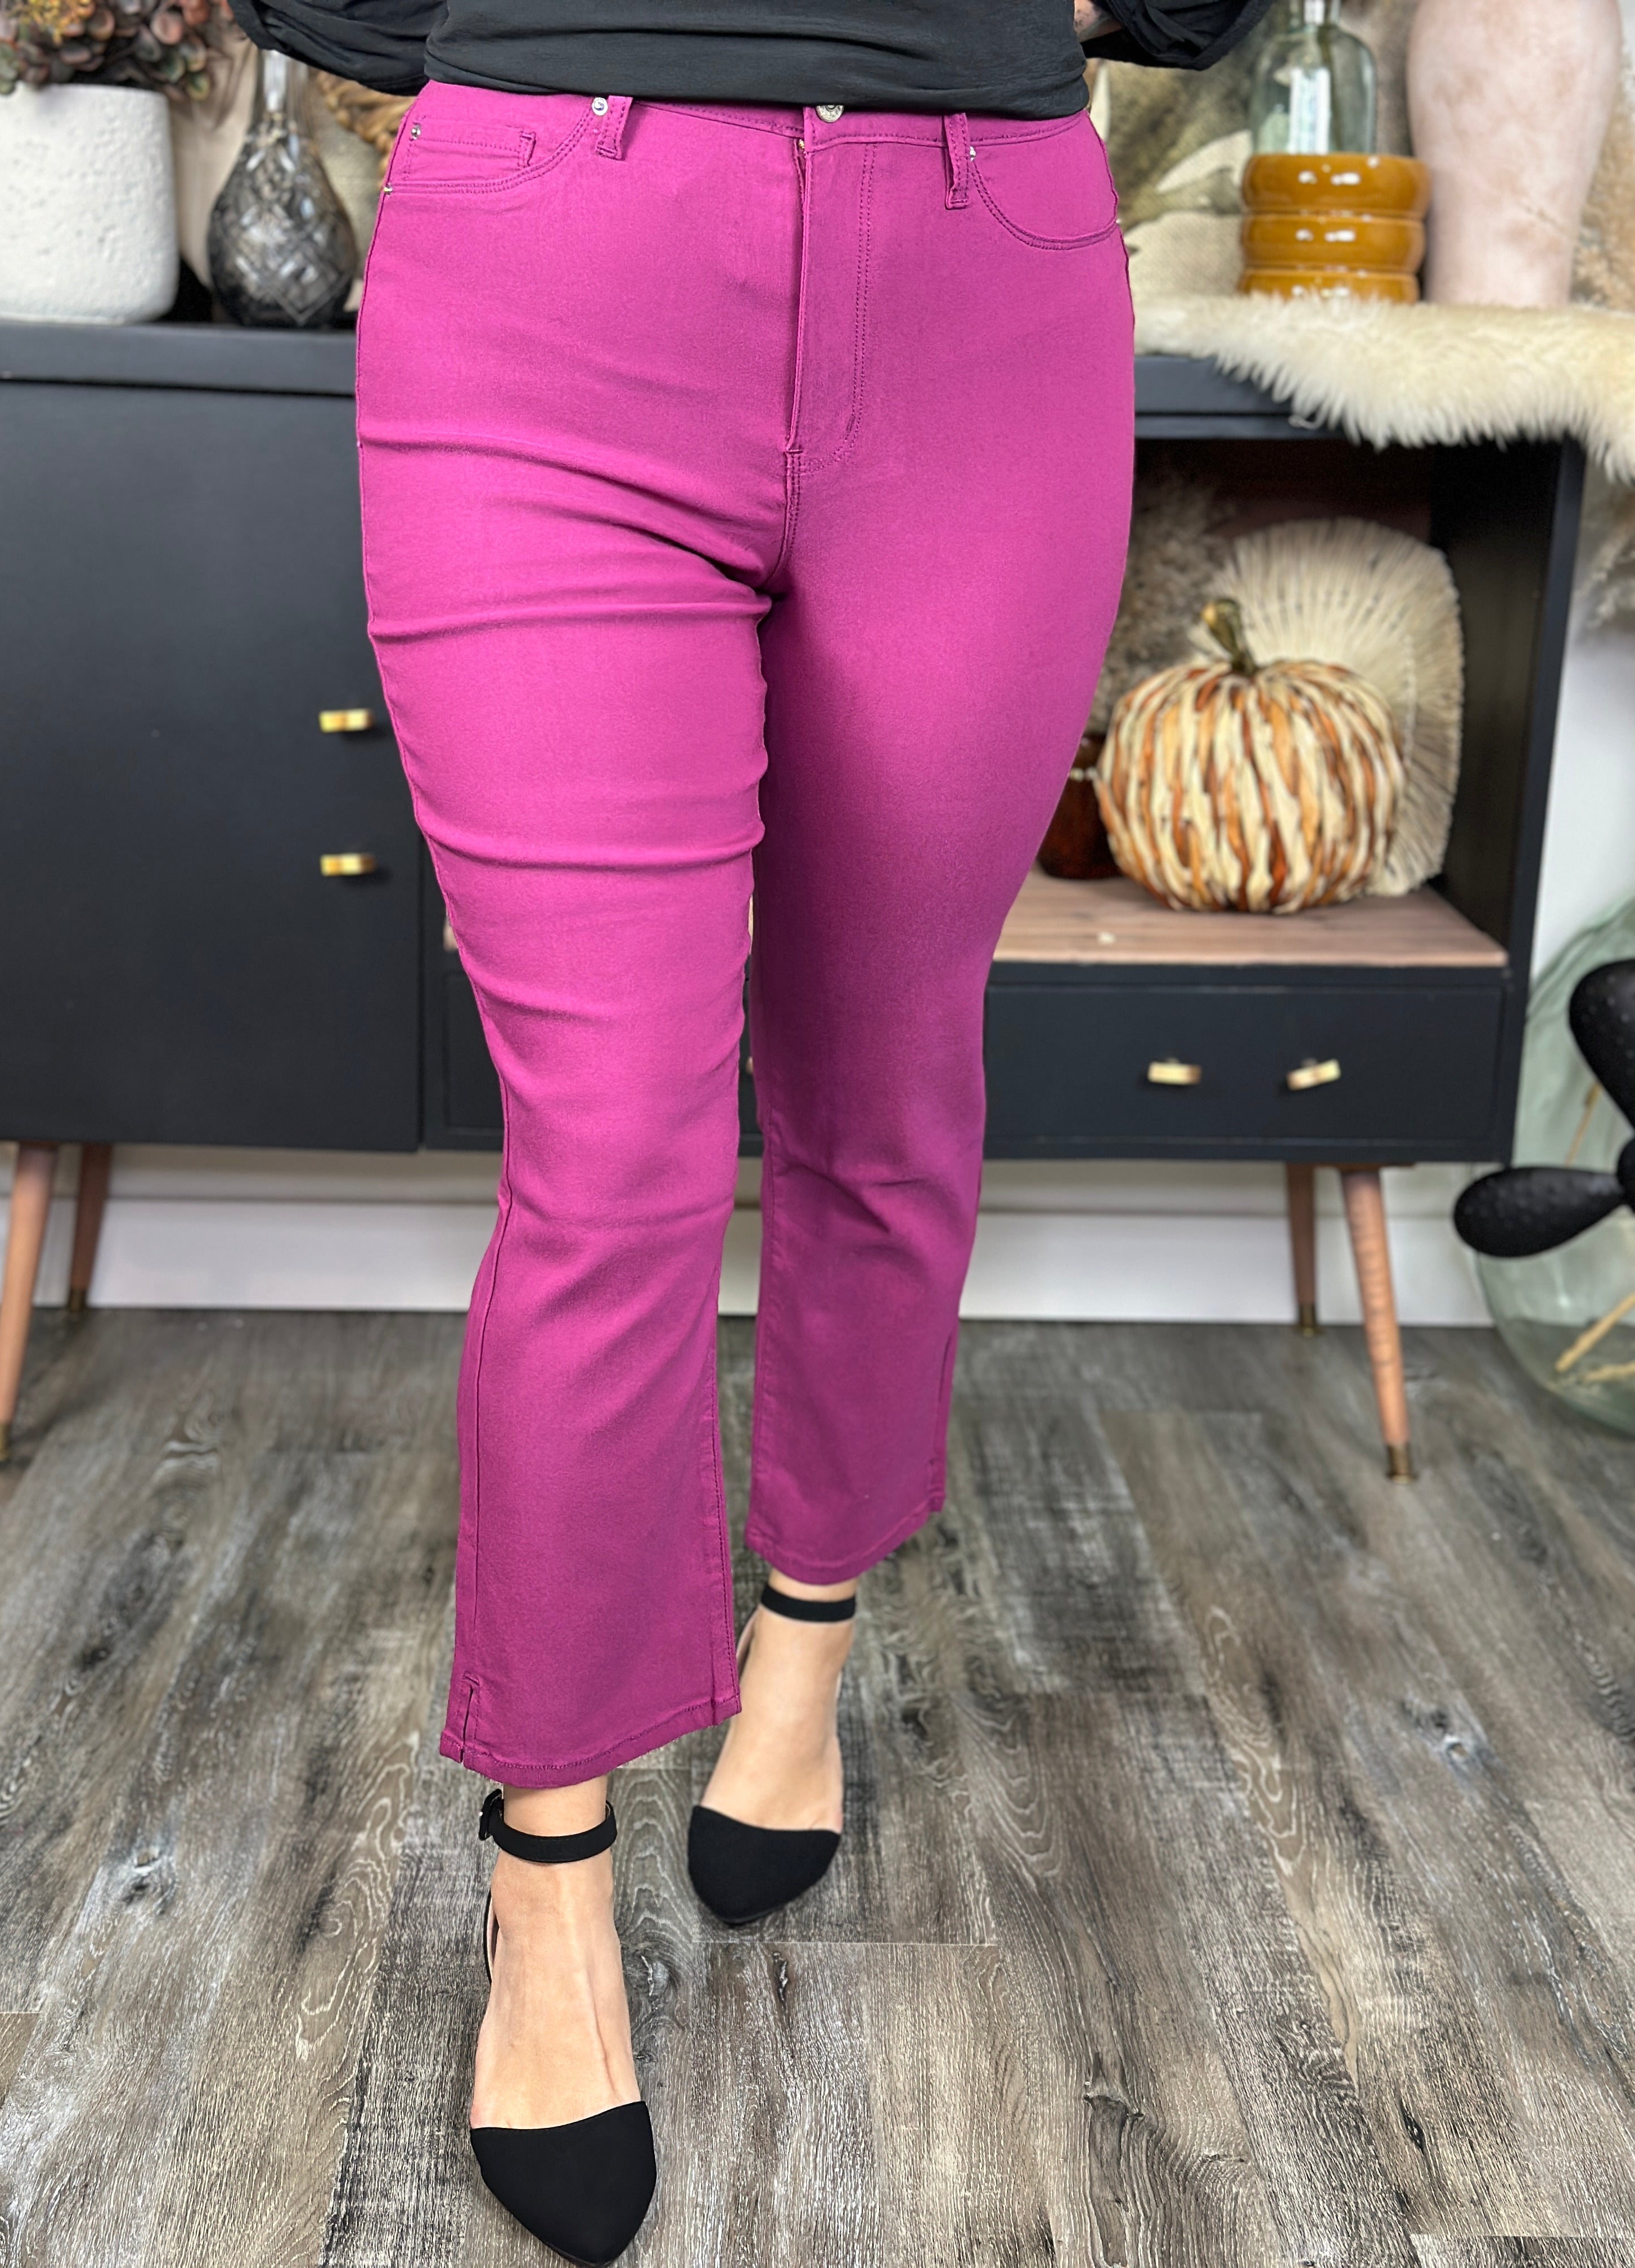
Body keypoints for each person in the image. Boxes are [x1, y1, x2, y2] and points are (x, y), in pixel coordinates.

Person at [223, 1, 1266, 2258]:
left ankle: (806, 1642)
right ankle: (549, 1885)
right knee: (611, 1153)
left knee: (885, 1076)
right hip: (552, 269)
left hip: (982, 273)